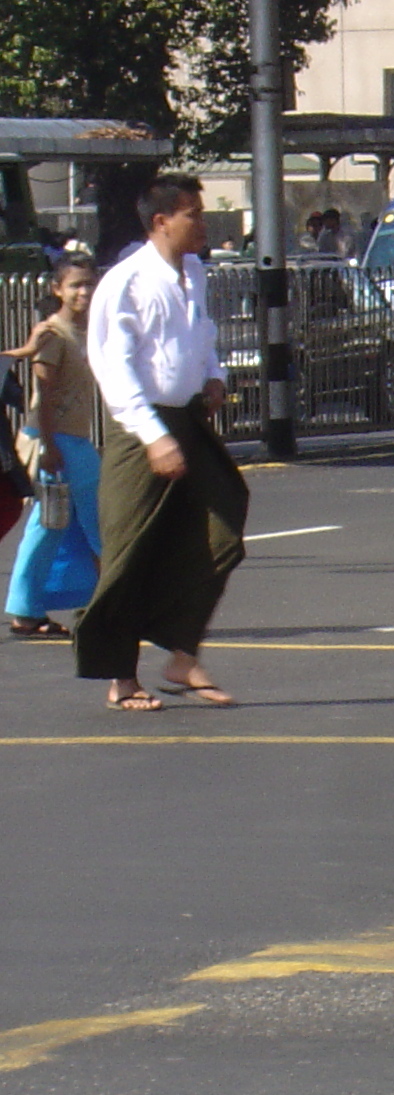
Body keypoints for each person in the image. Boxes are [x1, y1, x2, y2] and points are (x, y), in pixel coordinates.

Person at [81, 174, 245, 712]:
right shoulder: (125, 283)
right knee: (131, 551)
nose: (201, 222)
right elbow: (113, 367)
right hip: (139, 429)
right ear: (161, 222)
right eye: (192, 213)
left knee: (221, 531)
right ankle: (120, 677)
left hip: (188, 419)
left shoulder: (193, 272)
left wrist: (213, 374)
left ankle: (181, 654)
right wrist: (153, 437)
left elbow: (201, 334)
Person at [8, 253, 104, 639]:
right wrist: (48, 446)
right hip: (54, 440)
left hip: (74, 439)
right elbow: (42, 396)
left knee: (53, 525)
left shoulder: (86, 331)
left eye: (88, 283)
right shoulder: (52, 334)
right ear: (57, 290)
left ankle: (28, 608)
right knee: (84, 522)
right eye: (75, 285)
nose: (83, 291)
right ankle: (115, 604)